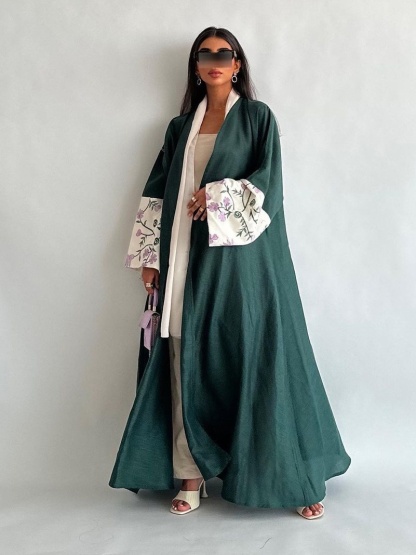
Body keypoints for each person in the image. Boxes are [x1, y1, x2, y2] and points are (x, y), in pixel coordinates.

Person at [109, 26, 351, 519]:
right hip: (184, 257)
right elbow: (157, 189)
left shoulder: (259, 118)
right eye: (206, 54)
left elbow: (269, 185)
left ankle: (287, 475)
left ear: (237, 64)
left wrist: (216, 196)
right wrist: (151, 257)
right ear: (196, 66)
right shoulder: (180, 127)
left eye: (225, 54)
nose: (215, 61)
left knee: (256, 357)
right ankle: (190, 474)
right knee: (181, 354)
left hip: (244, 267)